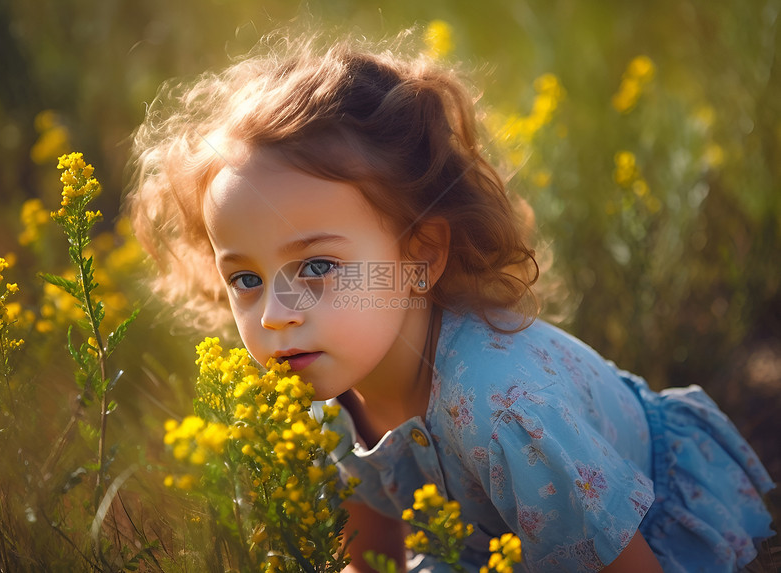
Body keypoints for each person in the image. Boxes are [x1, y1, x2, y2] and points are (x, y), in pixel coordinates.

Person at [125, 29, 776, 573]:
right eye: (245, 279)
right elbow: (369, 558)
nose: (274, 314)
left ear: (421, 256)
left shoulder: (506, 412)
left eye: (317, 265)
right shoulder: (320, 396)